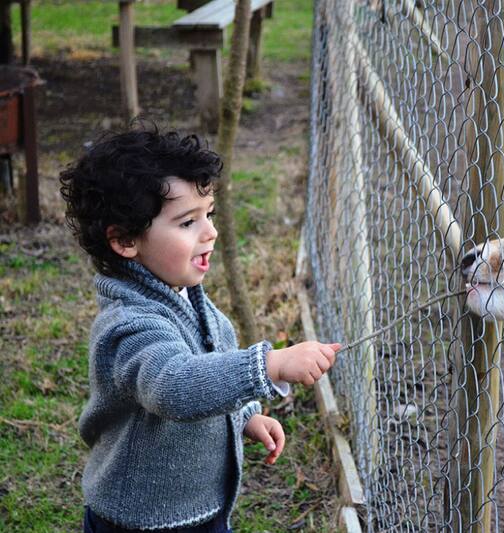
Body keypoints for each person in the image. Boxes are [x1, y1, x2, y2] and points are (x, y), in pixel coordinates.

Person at [59, 125, 341, 532]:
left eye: (207, 214)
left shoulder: (183, 294)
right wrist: (270, 365)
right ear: (124, 241)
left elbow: (211, 364)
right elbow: (175, 385)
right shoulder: (129, 325)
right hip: (139, 520)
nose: (210, 231)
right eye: (188, 222)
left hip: (198, 509)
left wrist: (243, 415)